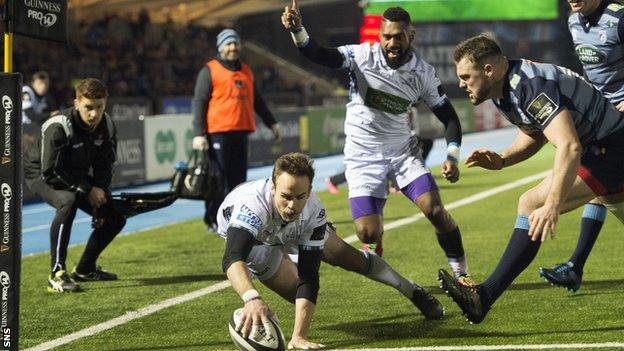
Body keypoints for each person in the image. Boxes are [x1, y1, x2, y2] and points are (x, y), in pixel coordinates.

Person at [282, 4, 474, 284]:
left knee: (434, 208)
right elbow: (318, 54)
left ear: (412, 35)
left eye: (398, 36)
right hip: (362, 156)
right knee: (367, 234)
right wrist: (298, 30)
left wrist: (452, 156)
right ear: (379, 35)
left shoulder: (424, 73)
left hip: (402, 153)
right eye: (386, 36)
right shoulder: (362, 55)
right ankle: (375, 239)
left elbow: (450, 119)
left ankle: (462, 274)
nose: (391, 43)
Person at [439, 35, 624, 324]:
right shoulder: (505, 89)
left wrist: (552, 204)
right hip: (604, 148)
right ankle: (483, 298)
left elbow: (569, 146)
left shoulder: (530, 86)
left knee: (531, 203)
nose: (462, 84)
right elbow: (535, 132)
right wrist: (502, 159)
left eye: (466, 76)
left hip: (611, 150)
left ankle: (483, 297)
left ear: (488, 70)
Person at [219, 153, 443, 349]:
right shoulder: (252, 206)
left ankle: (412, 290)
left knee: (348, 258)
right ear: (272, 187)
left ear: (309, 191)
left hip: (295, 229)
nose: (292, 205)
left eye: (300, 197)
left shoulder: (313, 211)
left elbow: (309, 276)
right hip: (259, 244)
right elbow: (232, 256)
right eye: (286, 196)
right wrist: (251, 299)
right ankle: (292, 253)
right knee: (294, 293)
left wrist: (299, 336)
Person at [538, 0, 624, 292]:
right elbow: (591, 74)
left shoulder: (619, 18)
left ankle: (575, 265)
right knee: (598, 186)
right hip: (601, 121)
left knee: (601, 186)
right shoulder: (574, 22)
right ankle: (575, 266)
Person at [24, 78, 126, 293]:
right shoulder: (58, 126)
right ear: (77, 103)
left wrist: (101, 197)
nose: (94, 114)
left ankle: (85, 269)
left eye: (99, 107)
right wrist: (87, 191)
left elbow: (104, 167)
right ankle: (57, 273)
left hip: (74, 174)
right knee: (67, 202)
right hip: (41, 173)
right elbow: (50, 172)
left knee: (115, 214)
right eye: (88, 107)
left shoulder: (106, 124)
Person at [191, 28, 281, 232]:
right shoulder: (210, 70)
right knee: (218, 180)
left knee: (239, 181)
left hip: (241, 132)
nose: (232, 48)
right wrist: (199, 133)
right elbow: (199, 102)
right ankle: (213, 220)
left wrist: (272, 122)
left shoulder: (247, 70)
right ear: (221, 47)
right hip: (218, 132)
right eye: (228, 44)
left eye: (235, 44)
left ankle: (235, 217)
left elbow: (257, 100)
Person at [22, 71, 58, 137]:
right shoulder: (26, 92)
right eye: (40, 83)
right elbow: (31, 116)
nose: (43, 86)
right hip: (21, 125)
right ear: (33, 83)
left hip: (35, 123)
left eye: (46, 83)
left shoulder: (46, 96)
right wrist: (50, 114)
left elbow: (50, 110)